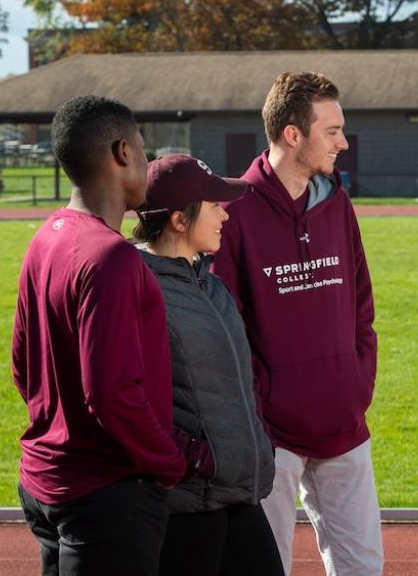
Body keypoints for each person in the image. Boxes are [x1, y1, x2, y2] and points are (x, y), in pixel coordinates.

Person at [212, 71, 381, 576]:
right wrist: (262, 403)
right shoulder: (232, 211)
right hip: (271, 435)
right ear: (293, 134)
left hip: (345, 423)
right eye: (331, 131)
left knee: (362, 568)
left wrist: (357, 386)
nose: (343, 142)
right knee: (265, 568)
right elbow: (227, 323)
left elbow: (362, 306)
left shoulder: (336, 203)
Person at [11, 95, 187, 575]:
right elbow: (110, 392)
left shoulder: (45, 238)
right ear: (122, 152)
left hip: (48, 479)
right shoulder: (112, 257)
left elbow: (22, 364)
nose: (148, 163)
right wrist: (167, 462)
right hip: (106, 490)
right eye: (144, 149)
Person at [133, 154, 283, 576]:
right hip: (186, 504)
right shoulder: (141, 290)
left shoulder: (213, 287)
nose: (225, 213)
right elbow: (128, 395)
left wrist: (259, 437)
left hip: (236, 491)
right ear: (180, 220)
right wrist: (194, 458)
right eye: (214, 204)